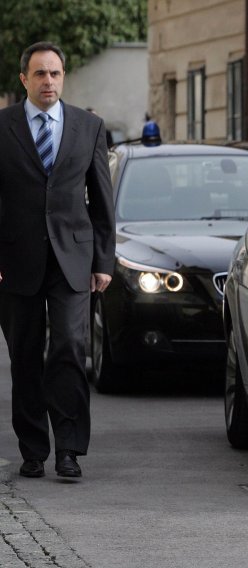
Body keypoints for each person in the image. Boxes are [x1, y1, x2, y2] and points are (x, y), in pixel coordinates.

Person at [0, 42, 115, 479]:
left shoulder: (89, 127)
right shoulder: (3, 127)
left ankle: (69, 448)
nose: (49, 81)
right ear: (23, 79)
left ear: (63, 77)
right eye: (40, 74)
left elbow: (102, 201)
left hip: (73, 259)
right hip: (16, 260)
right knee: (25, 354)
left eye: (55, 73)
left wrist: (104, 259)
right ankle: (33, 450)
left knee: (69, 348)